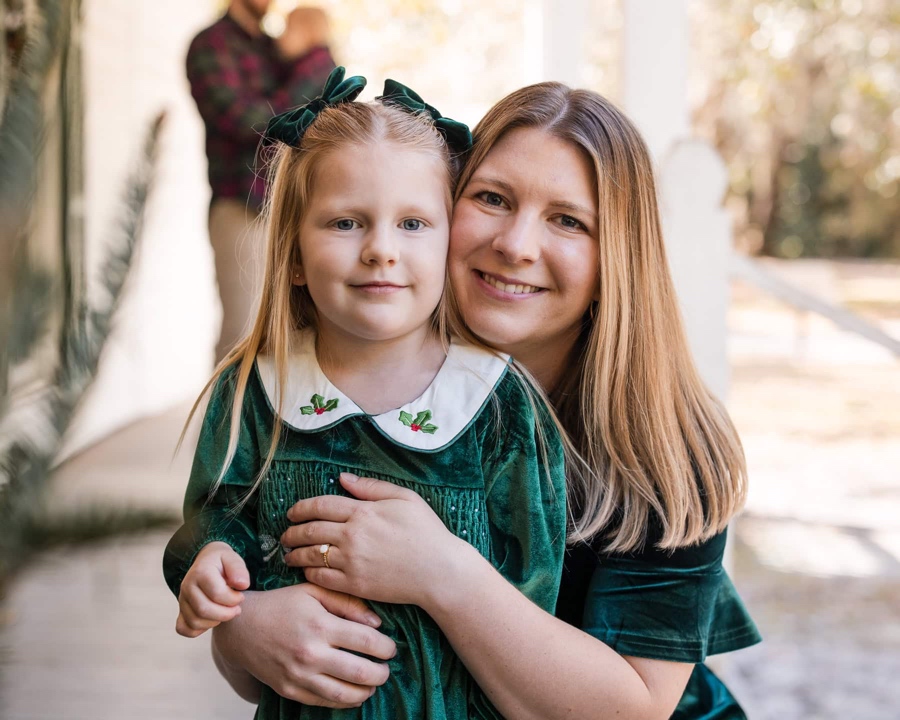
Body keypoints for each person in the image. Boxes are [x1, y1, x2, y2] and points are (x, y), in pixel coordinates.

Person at [205, 80, 762, 720]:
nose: (516, 245)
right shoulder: (349, 385)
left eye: (568, 220)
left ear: (618, 257)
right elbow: (267, 631)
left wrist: (442, 571)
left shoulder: (665, 445)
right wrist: (243, 628)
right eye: (493, 199)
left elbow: (633, 710)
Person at [162, 68, 568, 720]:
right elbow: (214, 516)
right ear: (292, 254)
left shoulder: (495, 406)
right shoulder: (257, 391)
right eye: (347, 222)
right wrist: (213, 565)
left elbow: (535, 593)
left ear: (448, 245)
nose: (381, 250)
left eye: (413, 223)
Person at [187, 0, 335, 362]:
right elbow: (249, 122)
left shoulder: (274, 47)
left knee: (299, 330)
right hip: (243, 206)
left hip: (294, 206)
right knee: (243, 334)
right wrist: (309, 93)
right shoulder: (211, 44)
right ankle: (226, 420)